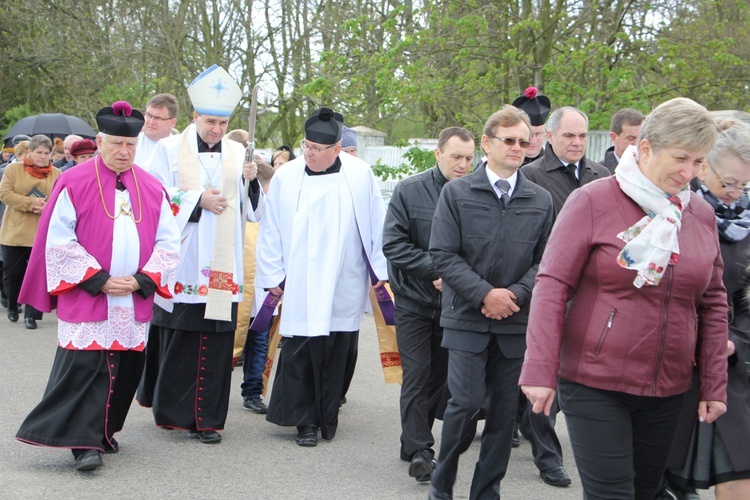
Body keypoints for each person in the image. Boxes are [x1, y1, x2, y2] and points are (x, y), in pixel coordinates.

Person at [519, 97, 729, 499]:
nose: (690, 173)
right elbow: (552, 284)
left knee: (647, 491)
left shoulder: (698, 213)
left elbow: (714, 302)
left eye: (699, 162)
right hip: (595, 380)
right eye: (681, 158)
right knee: (611, 494)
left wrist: (713, 383)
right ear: (646, 148)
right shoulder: (594, 200)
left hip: (669, 386)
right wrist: (539, 368)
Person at [14, 101, 180, 472]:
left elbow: (169, 243)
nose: (123, 152)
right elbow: (58, 240)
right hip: (89, 293)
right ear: (100, 141)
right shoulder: (73, 182)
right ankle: (83, 442)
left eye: (131, 146)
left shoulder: (152, 187)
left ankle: (104, 431)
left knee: (124, 368)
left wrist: (140, 279)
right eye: (116, 144)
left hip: (132, 295)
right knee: (86, 367)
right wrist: (99, 279)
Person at [428, 105, 555, 500]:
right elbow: (443, 255)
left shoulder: (541, 199)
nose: (518, 147)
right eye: (510, 141)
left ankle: (486, 492)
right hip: (466, 318)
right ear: (487, 143)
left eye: (524, 141)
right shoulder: (457, 193)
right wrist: (485, 294)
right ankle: (442, 484)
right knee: (463, 404)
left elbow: (546, 261)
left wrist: (513, 295)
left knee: (503, 415)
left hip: (515, 323)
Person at [141, 65, 260, 444]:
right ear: (194, 117)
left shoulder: (238, 150)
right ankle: (175, 414)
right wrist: (196, 201)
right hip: (185, 256)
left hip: (223, 263)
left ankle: (208, 419)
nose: (216, 130)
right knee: (181, 335)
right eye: (210, 121)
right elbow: (153, 194)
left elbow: (250, 209)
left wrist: (251, 182)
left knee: (217, 338)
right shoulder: (168, 148)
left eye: (223, 123)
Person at [256, 106, 388, 447]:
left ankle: (328, 416)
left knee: (336, 348)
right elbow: (270, 230)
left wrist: (380, 272)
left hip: (345, 276)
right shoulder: (287, 177)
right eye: (306, 145)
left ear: (337, 149)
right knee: (302, 347)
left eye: (317, 149)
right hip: (300, 277)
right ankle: (304, 422)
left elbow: (376, 225)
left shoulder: (360, 174)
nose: (308, 153)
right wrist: (272, 274)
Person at [661, 119, 750, 500]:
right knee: (663, 475)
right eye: (727, 181)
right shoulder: (673, 213)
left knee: (738, 467)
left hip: (732, 369)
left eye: (744, 185)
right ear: (702, 166)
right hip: (673, 363)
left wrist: (733, 340)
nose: (734, 193)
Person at [382, 126, 474, 483]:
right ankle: (421, 449)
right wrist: (435, 272)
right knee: (417, 376)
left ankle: (411, 437)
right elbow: (394, 244)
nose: (463, 165)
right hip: (414, 302)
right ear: (438, 154)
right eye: (456, 157)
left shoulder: (476, 193)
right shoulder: (409, 190)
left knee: (445, 380)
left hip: (457, 306)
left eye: (469, 158)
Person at [0, 134, 61, 329]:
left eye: (46, 153)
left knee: (37, 274)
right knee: (13, 272)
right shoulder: (13, 169)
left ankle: (32, 315)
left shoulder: (57, 173)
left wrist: (48, 206)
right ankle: (12, 305)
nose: (43, 157)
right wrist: (30, 203)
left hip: (42, 232)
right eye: (39, 153)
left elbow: (62, 196)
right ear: (30, 152)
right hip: (15, 230)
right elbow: (4, 193)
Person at [522, 106, 611, 215]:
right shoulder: (530, 176)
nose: (577, 142)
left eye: (582, 136)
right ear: (550, 136)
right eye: (569, 136)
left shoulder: (602, 175)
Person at [238, 160, 275, 413]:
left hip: (262, 294)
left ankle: (253, 391)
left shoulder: (273, 218)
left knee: (259, 344)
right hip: (238, 291)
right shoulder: (239, 217)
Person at [134, 93, 178, 166]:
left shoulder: (180, 149)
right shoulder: (131, 143)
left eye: (158, 118)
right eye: (148, 115)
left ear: (172, 123)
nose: (151, 122)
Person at [512, 87, 551, 165]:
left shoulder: (553, 161)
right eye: (529, 135)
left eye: (538, 134)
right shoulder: (494, 162)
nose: (533, 141)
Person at [601, 108, 645, 174]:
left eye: (641, 138)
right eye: (631, 138)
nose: (637, 144)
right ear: (614, 137)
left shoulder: (653, 172)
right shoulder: (597, 174)